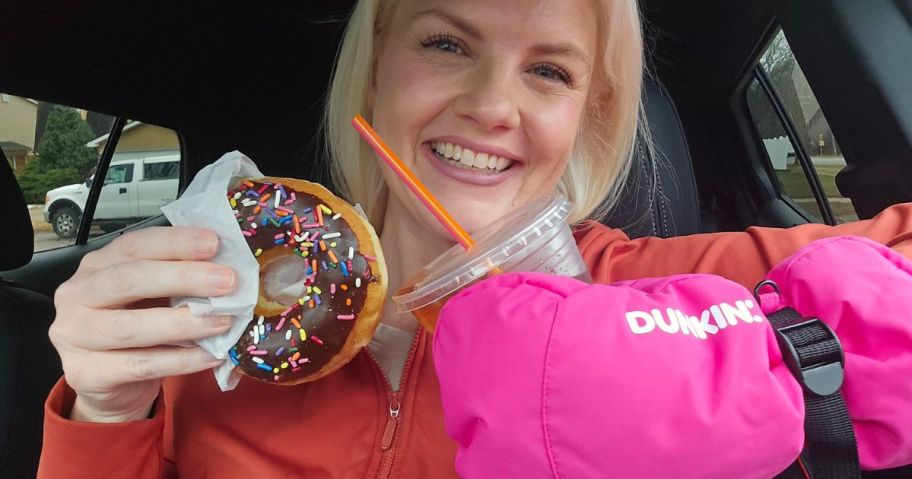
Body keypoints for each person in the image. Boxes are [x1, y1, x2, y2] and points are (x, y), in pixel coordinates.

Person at [38, 0, 912, 477]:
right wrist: (103, 410)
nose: (494, 106)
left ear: (585, 115)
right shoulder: (213, 326)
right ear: (377, 68)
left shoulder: (655, 293)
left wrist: (714, 375)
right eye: (448, 43)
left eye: (548, 70)